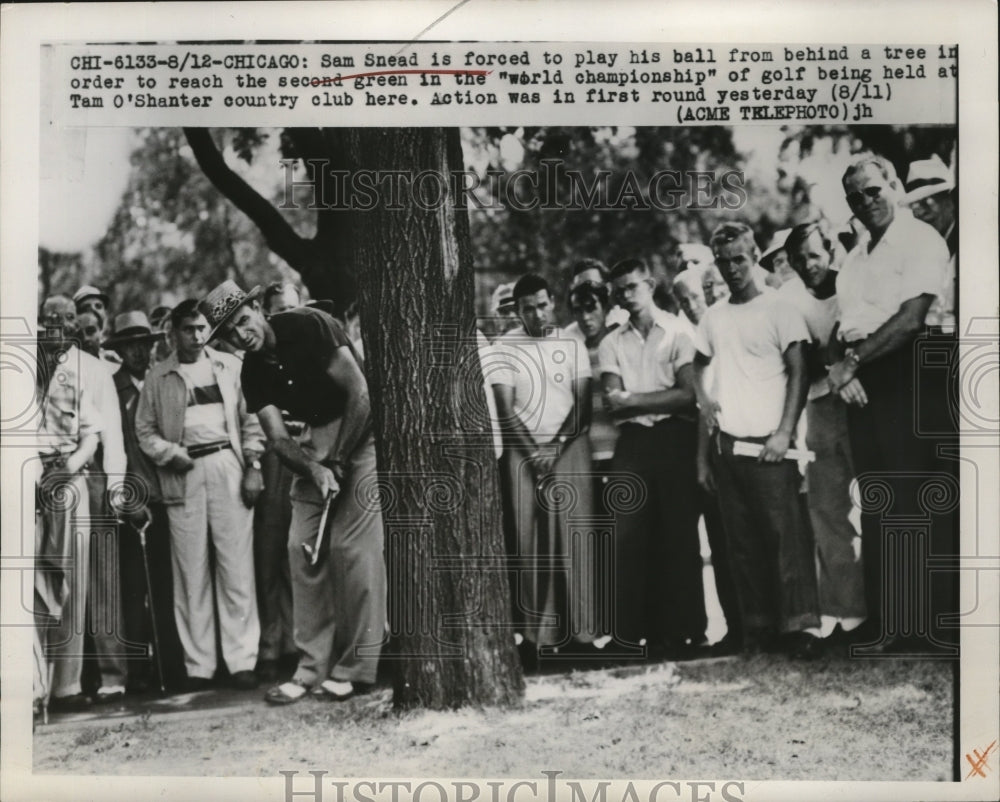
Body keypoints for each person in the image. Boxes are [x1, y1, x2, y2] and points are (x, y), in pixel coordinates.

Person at [211, 280, 386, 704]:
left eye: (243, 320)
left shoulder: (309, 325)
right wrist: (314, 468)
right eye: (230, 333)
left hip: (358, 435)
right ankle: (310, 668)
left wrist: (338, 461)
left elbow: (361, 393)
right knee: (299, 546)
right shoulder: (251, 369)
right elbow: (277, 438)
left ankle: (357, 668)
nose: (241, 334)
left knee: (352, 550)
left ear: (257, 308)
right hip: (312, 447)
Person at [827, 154, 955, 652]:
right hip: (863, 378)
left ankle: (929, 625)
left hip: (909, 372)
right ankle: (890, 624)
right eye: (856, 198)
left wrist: (851, 363)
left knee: (914, 498)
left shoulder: (919, 239)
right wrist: (843, 371)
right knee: (877, 501)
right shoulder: (856, 259)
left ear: (894, 185)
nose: (866, 203)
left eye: (873, 191)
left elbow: (910, 318)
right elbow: (844, 326)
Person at [693, 222, 822, 659]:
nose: (731, 269)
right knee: (741, 545)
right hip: (729, 446)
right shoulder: (713, 317)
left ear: (754, 257)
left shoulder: (779, 309)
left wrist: (785, 432)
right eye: (723, 261)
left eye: (739, 260)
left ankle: (799, 629)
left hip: (771, 445)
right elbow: (697, 367)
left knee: (786, 540)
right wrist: (704, 402)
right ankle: (759, 630)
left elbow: (800, 372)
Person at [136, 299, 264, 691]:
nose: (196, 336)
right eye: (188, 329)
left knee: (236, 565)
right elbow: (145, 431)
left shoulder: (230, 367)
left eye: (202, 328)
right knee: (191, 571)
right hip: (184, 471)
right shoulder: (159, 377)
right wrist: (171, 455)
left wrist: (254, 465)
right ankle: (200, 665)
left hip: (227, 463)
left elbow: (252, 418)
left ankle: (242, 660)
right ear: (174, 332)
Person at [598, 258, 706, 659]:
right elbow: (612, 402)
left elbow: (687, 394)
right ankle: (629, 634)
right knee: (626, 537)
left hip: (675, 435)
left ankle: (685, 632)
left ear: (651, 285)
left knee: (678, 535)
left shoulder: (678, 331)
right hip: (634, 443)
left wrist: (635, 399)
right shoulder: (612, 342)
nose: (627, 295)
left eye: (633, 286)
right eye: (620, 289)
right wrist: (631, 403)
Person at [491, 273, 598, 661]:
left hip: (568, 448)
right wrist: (534, 454)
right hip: (523, 453)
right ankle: (540, 638)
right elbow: (504, 409)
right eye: (527, 309)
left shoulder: (571, 343)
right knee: (529, 541)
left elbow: (582, 406)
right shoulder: (503, 347)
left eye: (542, 305)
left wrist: (553, 448)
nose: (536, 314)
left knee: (574, 538)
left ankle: (582, 635)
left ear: (552, 303)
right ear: (516, 312)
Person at [783, 221, 868, 648]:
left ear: (830, 252)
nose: (806, 265)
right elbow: (801, 357)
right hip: (820, 406)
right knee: (828, 513)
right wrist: (830, 366)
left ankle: (890, 611)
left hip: (866, 399)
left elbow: (858, 336)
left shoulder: (853, 278)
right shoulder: (790, 297)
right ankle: (847, 617)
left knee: (877, 506)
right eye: (798, 260)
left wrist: (839, 362)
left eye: (814, 255)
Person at [105, 311, 186, 692]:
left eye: (145, 344)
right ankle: (138, 675)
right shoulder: (112, 389)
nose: (139, 352)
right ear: (119, 350)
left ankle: (171, 670)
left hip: (169, 496)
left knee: (168, 587)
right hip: (134, 502)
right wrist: (125, 497)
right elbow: (113, 450)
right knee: (135, 590)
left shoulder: (160, 382)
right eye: (130, 346)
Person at [34, 297, 105, 712]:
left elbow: (92, 434)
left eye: (65, 321)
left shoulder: (79, 372)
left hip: (69, 480)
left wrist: (71, 467)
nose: (57, 327)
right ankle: (33, 686)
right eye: (49, 320)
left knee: (72, 583)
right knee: (33, 584)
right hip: (28, 481)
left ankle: (67, 686)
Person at [670, 268, 744, 656]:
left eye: (695, 297)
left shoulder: (727, 330)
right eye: (682, 301)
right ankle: (734, 624)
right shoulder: (691, 341)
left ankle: (761, 623)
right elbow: (703, 411)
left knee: (743, 541)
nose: (689, 306)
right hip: (713, 450)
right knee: (719, 540)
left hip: (746, 444)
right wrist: (701, 461)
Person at [252, 282, 304, 681]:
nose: (284, 317)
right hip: (273, 456)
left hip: (311, 449)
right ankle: (274, 643)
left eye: (291, 308)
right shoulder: (257, 359)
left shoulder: (309, 347)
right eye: (277, 311)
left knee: (304, 552)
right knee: (271, 553)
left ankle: (306, 643)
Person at [903, 154, 956, 334]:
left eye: (927, 200)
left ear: (949, 201)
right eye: (914, 205)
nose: (920, 212)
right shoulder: (920, 252)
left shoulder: (971, 246)